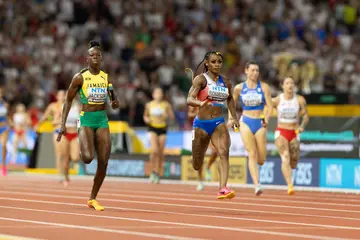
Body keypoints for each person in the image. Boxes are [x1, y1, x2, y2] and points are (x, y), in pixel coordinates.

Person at [57, 40, 119, 211]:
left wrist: (115, 103)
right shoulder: (80, 77)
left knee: (104, 160)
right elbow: (68, 99)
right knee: (87, 158)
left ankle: (93, 198)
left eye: (98, 55)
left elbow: (113, 99)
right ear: (87, 59)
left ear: (102, 58)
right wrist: (62, 124)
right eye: (92, 56)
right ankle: (83, 143)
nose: (95, 58)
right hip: (85, 119)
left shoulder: (106, 77)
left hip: (101, 119)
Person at [186, 50, 239, 199]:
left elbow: (230, 100)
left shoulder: (226, 82)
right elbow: (189, 99)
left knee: (223, 151)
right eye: (214, 62)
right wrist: (200, 102)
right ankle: (199, 164)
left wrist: (234, 117)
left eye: (219, 62)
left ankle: (223, 188)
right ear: (207, 63)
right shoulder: (200, 80)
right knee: (197, 164)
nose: (217, 64)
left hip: (218, 122)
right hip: (201, 125)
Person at [231, 60, 273, 196]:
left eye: (257, 70)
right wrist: (232, 118)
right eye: (253, 70)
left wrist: (266, 119)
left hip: (260, 123)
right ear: (246, 71)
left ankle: (257, 178)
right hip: (246, 121)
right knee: (251, 153)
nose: (255, 73)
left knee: (261, 158)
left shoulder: (264, 87)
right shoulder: (239, 88)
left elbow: (270, 106)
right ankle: (257, 185)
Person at [272, 77, 309, 195]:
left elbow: (306, 116)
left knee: (294, 161)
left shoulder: (300, 100)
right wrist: (264, 118)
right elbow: (266, 107)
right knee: (285, 156)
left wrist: (302, 125)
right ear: (282, 86)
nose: (290, 85)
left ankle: (290, 171)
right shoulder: (278, 100)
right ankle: (290, 185)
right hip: (281, 132)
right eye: (287, 83)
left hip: (294, 132)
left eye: (292, 83)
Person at [143, 87, 175, 184]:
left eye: (160, 93)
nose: (158, 95)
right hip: (152, 128)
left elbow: (172, 117)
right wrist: (147, 120)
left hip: (162, 129)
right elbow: (145, 116)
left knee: (160, 153)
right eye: (156, 93)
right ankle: (152, 171)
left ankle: (158, 172)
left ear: (162, 95)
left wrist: (166, 115)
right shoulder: (149, 105)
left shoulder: (166, 105)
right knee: (154, 151)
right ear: (153, 95)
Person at [35, 90, 65, 178]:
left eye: (63, 95)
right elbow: (45, 116)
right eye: (60, 95)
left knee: (65, 153)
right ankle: (60, 173)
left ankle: (64, 171)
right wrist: (38, 125)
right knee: (59, 153)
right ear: (57, 96)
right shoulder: (52, 106)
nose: (62, 97)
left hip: (67, 131)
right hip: (57, 131)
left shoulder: (68, 105)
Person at [188, 105, 218, 191]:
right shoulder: (194, 100)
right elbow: (189, 115)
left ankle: (208, 168)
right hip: (198, 130)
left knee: (215, 151)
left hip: (209, 129)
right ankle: (200, 181)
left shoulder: (211, 100)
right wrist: (198, 114)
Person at [54, 98, 83, 187]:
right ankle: (66, 177)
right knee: (65, 159)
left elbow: (81, 119)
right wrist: (62, 121)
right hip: (65, 135)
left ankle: (68, 157)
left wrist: (80, 126)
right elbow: (54, 121)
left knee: (75, 158)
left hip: (74, 134)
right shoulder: (62, 107)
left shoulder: (78, 107)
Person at [0, 88, 11, 176]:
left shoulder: (5, 104)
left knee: (4, 145)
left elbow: (7, 116)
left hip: (4, 128)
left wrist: (11, 123)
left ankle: (3, 165)